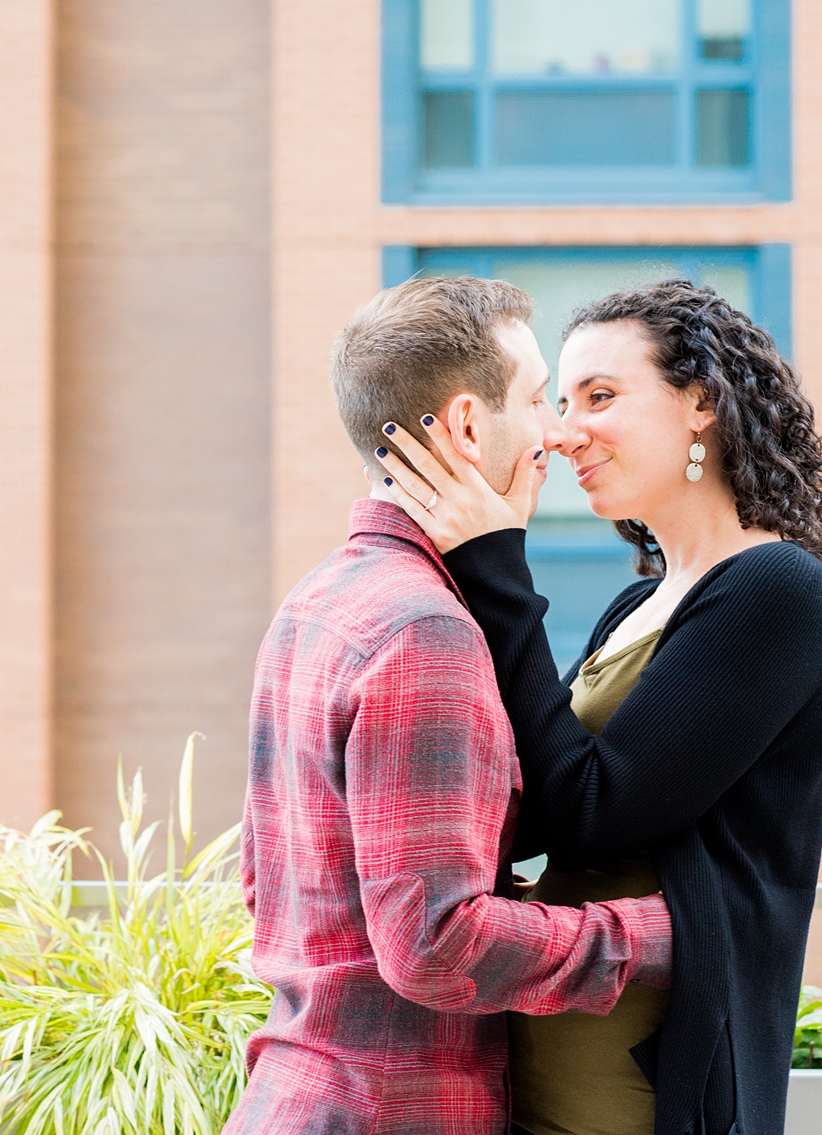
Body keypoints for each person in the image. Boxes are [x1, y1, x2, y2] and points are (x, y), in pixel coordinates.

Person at [376, 279, 822, 1135]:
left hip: (643, 1092)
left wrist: (494, 567)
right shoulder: (641, 604)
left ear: (701, 402)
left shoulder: (777, 590)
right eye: (559, 402)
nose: (564, 431)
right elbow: (532, 781)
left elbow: (593, 811)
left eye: (600, 396)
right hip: (539, 1060)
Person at [224, 276, 675, 1135]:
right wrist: (665, 932)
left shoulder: (319, 602)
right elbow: (436, 944)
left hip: (300, 1095)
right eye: (538, 398)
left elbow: (264, 881)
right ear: (469, 425)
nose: (554, 432)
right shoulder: (424, 629)